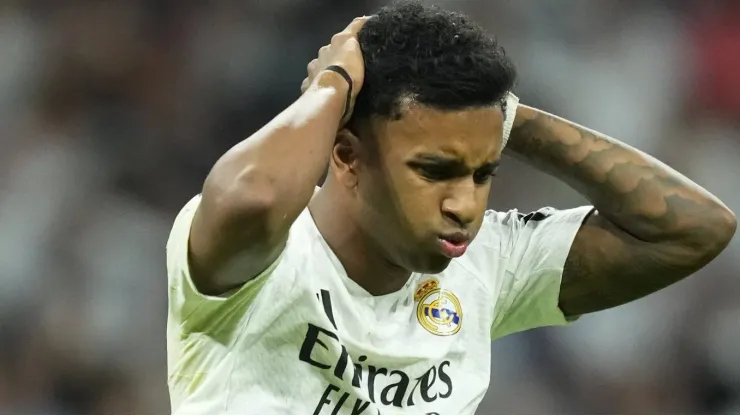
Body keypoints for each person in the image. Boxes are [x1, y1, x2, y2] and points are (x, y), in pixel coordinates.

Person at [165, 1, 737, 414]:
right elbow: (257, 195)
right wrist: (333, 84)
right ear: (345, 157)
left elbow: (695, 229)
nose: (465, 205)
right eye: (434, 170)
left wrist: (501, 116)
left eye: (483, 172)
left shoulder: (486, 263)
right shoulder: (258, 260)